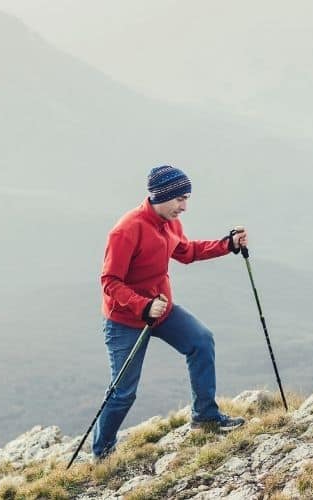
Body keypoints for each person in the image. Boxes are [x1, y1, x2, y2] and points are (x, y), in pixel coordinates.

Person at [92, 165, 246, 460]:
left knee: (201, 341)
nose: (184, 207)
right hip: (126, 320)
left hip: (161, 309)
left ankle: (206, 416)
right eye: (179, 199)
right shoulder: (126, 230)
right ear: (160, 197)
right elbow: (109, 282)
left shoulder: (169, 223)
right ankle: (102, 452)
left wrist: (227, 245)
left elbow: (186, 252)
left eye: (186, 198)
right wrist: (143, 305)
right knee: (123, 392)